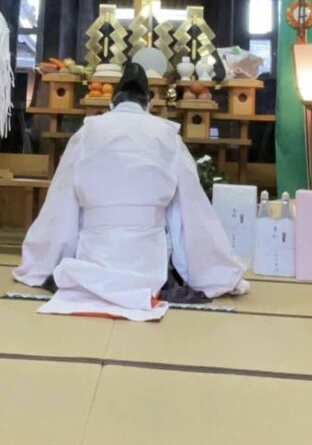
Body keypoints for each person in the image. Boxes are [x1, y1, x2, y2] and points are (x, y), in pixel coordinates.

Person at [14, 62, 247, 320]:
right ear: (149, 103)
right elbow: (192, 209)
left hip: (95, 252)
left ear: (112, 103)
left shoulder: (87, 132)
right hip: (147, 256)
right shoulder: (166, 134)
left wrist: (44, 261)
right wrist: (209, 270)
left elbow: (60, 206)